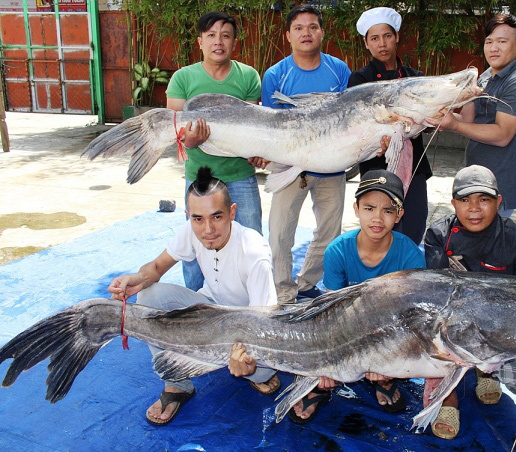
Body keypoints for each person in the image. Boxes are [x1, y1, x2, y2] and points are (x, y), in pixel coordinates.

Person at [107, 166, 280, 426]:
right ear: (188, 216)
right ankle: (177, 384)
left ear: (232, 212)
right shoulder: (190, 231)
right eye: (198, 218)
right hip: (209, 311)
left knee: (260, 370)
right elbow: (155, 268)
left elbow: (262, 323)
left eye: (217, 216)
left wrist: (248, 361)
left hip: (249, 327)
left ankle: (254, 372)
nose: (207, 229)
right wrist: (136, 280)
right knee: (148, 297)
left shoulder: (253, 250)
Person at [422, 165, 516, 439]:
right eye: (465, 200)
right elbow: (434, 296)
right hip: (452, 329)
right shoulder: (438, 235)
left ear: (499, 202)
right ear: (453, 203)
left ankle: (487, 374)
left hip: (502, 332)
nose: (474, 208)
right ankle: (449, 397)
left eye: (484, 199)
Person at [289, 169, 426, 423]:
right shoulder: (337, 251)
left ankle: (385, 379)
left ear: (399, 215)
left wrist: (383, 361)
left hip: (389, 330)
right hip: (345, 328)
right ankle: (319, 384)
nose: (377, 217)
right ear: (356, 208)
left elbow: (409, 321)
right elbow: (333, 315)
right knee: (314, 341)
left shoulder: (411, 256)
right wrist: (328, 363)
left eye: (388, 210)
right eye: (369, 208)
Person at [166, 11, 264, 292]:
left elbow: (252, 128)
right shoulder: (183, 78)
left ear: (234, 42)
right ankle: (195, 303)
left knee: (252, 241)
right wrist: (189, 141)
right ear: (200, 42)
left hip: (241, 175)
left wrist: (257, 152)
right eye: (211, 35)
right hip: (199, 178)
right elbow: (174, 128)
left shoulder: (248, 76)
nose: (218, 42)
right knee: (197, 241)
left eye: (225, 35)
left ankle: (250, 302)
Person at [261, 4, 351, 303]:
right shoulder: (276, 74)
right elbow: (270, 125)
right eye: (299, 28)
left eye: (312, 27)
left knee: (329, 232)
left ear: (322, 32)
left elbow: (347, 119)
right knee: (280, 233)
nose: (306, 33)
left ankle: (307, 283)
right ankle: (284, 291)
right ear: (288, 35)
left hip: (331, 168)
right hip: (289, 166)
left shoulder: (339, 70)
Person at [428, 13, 516, 218]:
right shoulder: (487, 75)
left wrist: (454, 125)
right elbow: (468, 121)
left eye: (502, 41)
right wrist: (444, 117)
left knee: (489, 247)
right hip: (476, 182)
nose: (493, 48)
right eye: (489, 42)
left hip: (498, 187)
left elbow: (503, 135)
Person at [348, 7, 432, 244]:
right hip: (376, 164)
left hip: (413, 165)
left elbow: (426, 123)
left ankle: (406, 278)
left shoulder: (415, 77)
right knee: (379, 227)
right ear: (366, 43)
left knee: (413, 225)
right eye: (374, 38)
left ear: (396, 37)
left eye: (387, 36)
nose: (382, 43)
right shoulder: (359, 80)